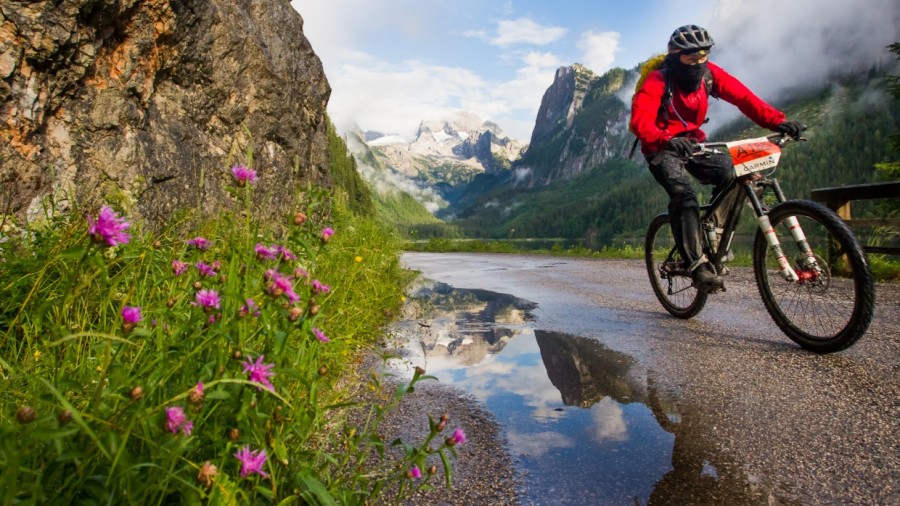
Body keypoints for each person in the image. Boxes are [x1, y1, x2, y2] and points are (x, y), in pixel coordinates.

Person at [630, 24, 804, 291]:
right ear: (675, 56)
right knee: (684, 196)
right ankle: (696, 264)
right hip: (660, 146)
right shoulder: (658, 80)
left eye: (703, 56)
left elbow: (744, 98)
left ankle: (714, 231)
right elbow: (640, 122)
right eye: (690, 58)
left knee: (734, 172)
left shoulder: (710, 76)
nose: (698, 63)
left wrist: (778, 122)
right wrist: (666, 139)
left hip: (693, 144)